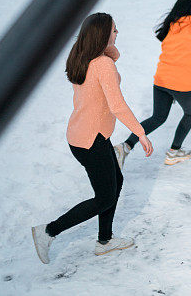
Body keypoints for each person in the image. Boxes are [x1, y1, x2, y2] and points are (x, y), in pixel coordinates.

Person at [31, 13, 153, 265]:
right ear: (102, 34)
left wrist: (110, 53)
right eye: (114, 30)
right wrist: (140, 133)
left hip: (84, 135)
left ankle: (105, 241)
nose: (117, 33)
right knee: (105, 196)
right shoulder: (102, 64)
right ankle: (48, 231)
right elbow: (117, 105)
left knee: (115, 182)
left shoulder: (82, 56)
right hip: (91, 140)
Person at [114, 0, 191, 167]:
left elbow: (181, 55)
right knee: (190, 113)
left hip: (161, 80)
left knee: (158, 117)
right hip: (181, 85)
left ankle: (126, 146)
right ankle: (174, 152)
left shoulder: (173, 25)